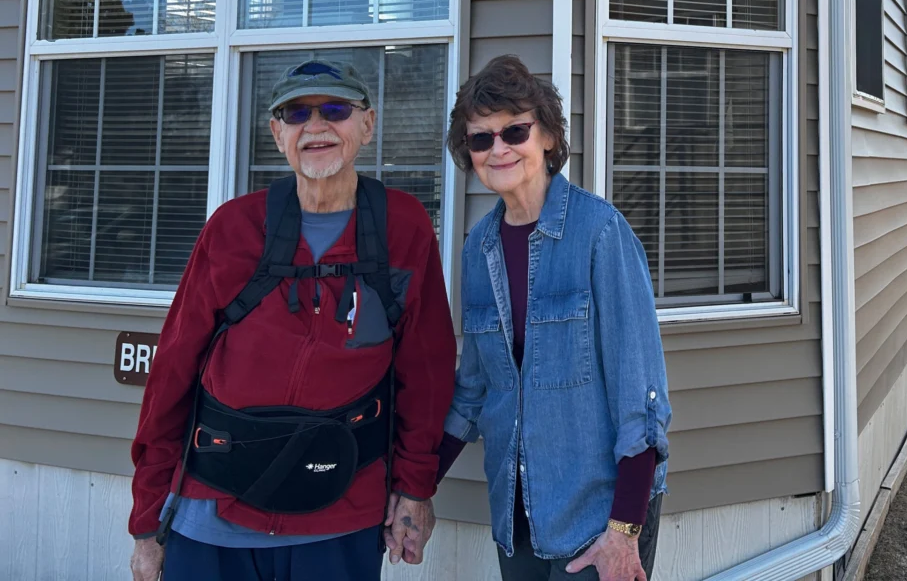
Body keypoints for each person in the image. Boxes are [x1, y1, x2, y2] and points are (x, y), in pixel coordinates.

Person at [128, 59, 457, 581]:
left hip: (341, 513)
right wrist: (148, 519)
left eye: (335, 110)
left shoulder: (402, 227)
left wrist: (415, 488)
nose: (316, 126)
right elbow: (172, 373)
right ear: (277, 133)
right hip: (214, 509)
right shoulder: (233, 227)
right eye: (297, 113)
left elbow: (426, 370)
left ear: (367, 125)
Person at [438, 55, 672, 581]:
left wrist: (624, 531)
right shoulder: (479, 249)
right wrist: (414, 487)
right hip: (516, 518)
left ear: (546, 136)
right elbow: (472, 392)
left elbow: (642, 397)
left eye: (514, 131)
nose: (499, 149)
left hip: (600, 522)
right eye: (481, 138)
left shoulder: (600, 234)